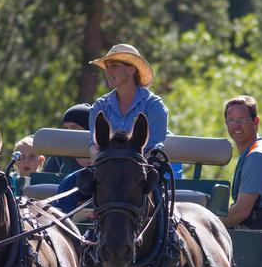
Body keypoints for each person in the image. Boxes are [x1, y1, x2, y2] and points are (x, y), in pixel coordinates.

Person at [55, 43, 181, 216]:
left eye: (114, 66)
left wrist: (127, 170)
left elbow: (153, 147)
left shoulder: (153, 105)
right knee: (67, 186)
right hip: (106, 171)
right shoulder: (100, 106)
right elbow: (94, 144)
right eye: (107, 67)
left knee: (157, 199)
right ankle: (63, 235)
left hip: (139, 171)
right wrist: (103, 165)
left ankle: (166, 238)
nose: (108, 71)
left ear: (131, 70)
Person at [221, 95, 262, 231]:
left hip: (259, 233)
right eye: (231, 120)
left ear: (256, 121)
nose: (236, 126)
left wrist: (205, 225)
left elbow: (241, 212)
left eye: (242, 120)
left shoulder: (258, 156)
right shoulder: (251, 153)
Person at [43, 103, 93, 178]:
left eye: (75, 128)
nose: (69, 132)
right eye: (66, 128)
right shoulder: (59, 156)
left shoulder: (103, 155)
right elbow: (45, 180)